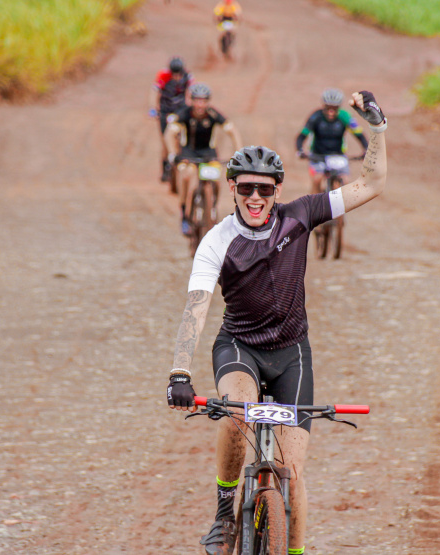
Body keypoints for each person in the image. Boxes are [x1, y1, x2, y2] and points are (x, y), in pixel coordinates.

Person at [166, 91, 387, 555]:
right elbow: (196, 307)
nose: (254, 197)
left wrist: (377, 131)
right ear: (232, 189)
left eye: (264, 189)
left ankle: (294, 551)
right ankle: (225, 512)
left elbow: (370, 185)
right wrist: (180, 372)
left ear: (277, 191)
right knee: (236, 411)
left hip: (292, 354)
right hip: (240, 348)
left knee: (294, 472)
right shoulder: (216, 241)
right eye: (245, 188)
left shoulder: (300, 216)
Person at [165, 83, 242, 236]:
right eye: (197, 100)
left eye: (204, 101)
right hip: (188, 154)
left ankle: (211, 207)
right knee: (186, 176)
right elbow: (169, 133)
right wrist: (172, 154)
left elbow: (232, 130)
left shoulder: (213, 115)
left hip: (208, 154)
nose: (200, 105)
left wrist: (239, 153)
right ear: (191, 101)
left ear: (208, 102)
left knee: (216, 179)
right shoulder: (184, 114)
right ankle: (184, 214)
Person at [296, 88, 369, 195]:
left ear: (338, 108)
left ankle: (340, 209)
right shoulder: (315, 116)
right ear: (323, 106)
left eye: (334, 109)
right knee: (317, 179)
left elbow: (359, 134)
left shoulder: (345, 116)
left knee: (345, 180)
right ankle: (314, 206)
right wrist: (300, 150)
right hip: (318, 155)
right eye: (328, 108)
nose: (331, 112)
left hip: (338, 155)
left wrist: (365, 149)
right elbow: (302, 135)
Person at [150, 57, 194, 182]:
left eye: (178, 74)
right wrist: (153, 109)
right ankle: (165, 169)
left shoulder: (188, 76)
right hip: (165, 110)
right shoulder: (164, 75)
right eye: (174, 74)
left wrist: (190, 107)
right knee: (165, 139)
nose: (176, 77)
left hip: (180, 110)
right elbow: (154, 91)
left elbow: (191, 92)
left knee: (184, 137)